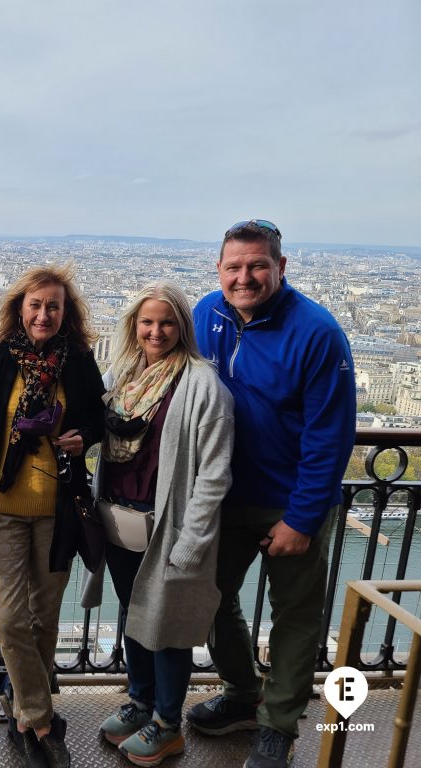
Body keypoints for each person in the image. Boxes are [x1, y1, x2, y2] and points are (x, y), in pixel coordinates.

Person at [187, 220, 356, 768]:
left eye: (257, 265)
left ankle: (278, 726)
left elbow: (330, 436)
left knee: (296, 617)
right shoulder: (206, 313)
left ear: (281, 267)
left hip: (289, 499)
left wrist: (302, 520)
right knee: (205, 599)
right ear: (218, 269)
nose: (244, 277)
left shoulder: (318, 333)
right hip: (223, 494)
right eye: (234, 266)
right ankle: (243, 692)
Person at [82, 282, 234, 767]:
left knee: (168, 626)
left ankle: (168, 724)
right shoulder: (123, 374)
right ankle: (141, 701)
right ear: (133, 326)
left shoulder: (203, 386)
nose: (156, 331)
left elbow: (214, 473)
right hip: (121, 520)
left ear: (182, 328)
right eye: (147, 322)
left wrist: (193, 541)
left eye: (166, 323)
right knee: (134, 614)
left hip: (169, 527)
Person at [0, 263, 105, 768]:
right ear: (20, 309)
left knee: (44, 620)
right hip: (0, 506)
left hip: (57, 508)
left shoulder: (80, 364)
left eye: (53, 307)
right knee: (10, 617)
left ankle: (24, 719)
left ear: (66, 314)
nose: (44, 314)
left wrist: (84, 435)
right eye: (36, 305)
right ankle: (43, 719)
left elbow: (99, 419)